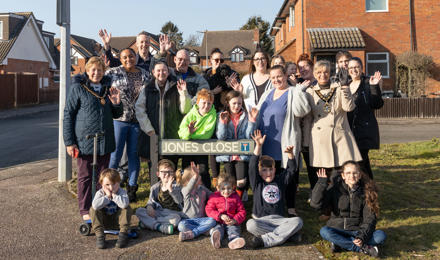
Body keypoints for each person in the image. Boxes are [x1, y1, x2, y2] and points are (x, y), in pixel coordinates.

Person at [63, 56, 122, 221]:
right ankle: (85, 210)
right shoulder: (78, 88)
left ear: (104, 72)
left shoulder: (108, 88)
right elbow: (68, 115)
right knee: (85, 176)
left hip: (105, 140)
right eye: (93, 70)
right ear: (87, 71)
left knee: (103, 177)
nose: (96, 73)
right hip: (85, 141)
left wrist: (117, 103)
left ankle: (100, 207)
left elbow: (117, 114)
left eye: (99, 70)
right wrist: (69, 142)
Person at [257, 65, 311, 216]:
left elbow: (302, 111)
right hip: (266, 143)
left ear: (286, 75)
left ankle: (291, 207)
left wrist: (300, 91)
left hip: (285, 141)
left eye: (279, 76)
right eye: (273, 77)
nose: (276, 80)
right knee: (269, 174)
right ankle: (271, 204)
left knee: (289, 175)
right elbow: (258, 114)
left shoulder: (293, 92)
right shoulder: (267, 93)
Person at [311, 161, 386, 257]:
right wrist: (321, 183)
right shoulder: (334, 189)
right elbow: (315, 204)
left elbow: (370, 218)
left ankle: (341, 244)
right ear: (343, 176)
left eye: (355, 173)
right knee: (324, 231)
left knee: (380, 235)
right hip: (338, 229)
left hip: (358, 231)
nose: (352, 176)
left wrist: (361, 237)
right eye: (348, 173)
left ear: (359, 175)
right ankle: (363, 248)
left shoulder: (367, 192)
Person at [105, 48, 150, 202]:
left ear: (136, 57)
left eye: (131, 56)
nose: (128, 59)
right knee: (115, 155)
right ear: (120, 58)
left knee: (133, 155)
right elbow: (98, 83)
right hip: (119, 119)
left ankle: (132, 188)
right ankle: (109, 187)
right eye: (124, 57)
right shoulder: (112, 73)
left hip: (137, 121)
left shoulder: (144, 74)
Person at [246, 130, 303, 248]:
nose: (268, 173)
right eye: (264, 170)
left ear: (275, 170)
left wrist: (291, 155)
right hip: (261, 221)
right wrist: (258, 146)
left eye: (270, 169)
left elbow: (291, 170)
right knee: (250, 225)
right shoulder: (257, 183)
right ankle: (287, 236)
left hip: (280, 220)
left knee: (298, 221)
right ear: (259, 172)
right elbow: (252, 166)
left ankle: (265, 240)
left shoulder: (280, 180)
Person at [304, 60, 362, 172]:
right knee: (324, 176)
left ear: (330, 73)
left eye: (326, 72)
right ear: (315, 74)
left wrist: (345, 86)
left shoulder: (339, 88)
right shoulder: (309, 92)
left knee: (344, 173)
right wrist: (306, 142)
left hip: (340, 136)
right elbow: (308, 119)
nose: (322, 75)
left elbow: (348, 108)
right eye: (319, 72)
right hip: (320, 139)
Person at [135, 61, 192, 167]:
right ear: (153, 72)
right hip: (152, 136)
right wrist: (148, 129)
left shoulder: (176, 87)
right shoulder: (147, 89)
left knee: (170, 168)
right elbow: (139, 110)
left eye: (164, 70)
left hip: (171, 136)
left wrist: (183, 93)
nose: (161, 73)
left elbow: (185, 109)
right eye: (158, 70)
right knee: (154, 171)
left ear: (168, 72)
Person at [202, 48, 240, 186]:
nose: (219, 62)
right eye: (216, 60)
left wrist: (230, 84)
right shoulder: (205, 76)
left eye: (221, 60)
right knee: (213, 145)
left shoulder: (229, 73)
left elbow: (235, 86)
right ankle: (215, 177)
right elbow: (202, 93)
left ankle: (230, 178)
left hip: (226, 113)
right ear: (210, 61)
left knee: (225, 143)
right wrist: (213, 91)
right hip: (211, 113)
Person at [216, 90, 258, 198]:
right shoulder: (221, 115)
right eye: (234, 103)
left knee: (241, 181)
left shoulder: (246, 116)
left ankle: (238, 199)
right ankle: (231, 201)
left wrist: (252, 121)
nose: (237, 106)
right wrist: (223, 123)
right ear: (228, 103)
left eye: (239, 103)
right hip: (228, 154)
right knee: (230, 181)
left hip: (242, 153)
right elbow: (221, 137)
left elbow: (249, 137)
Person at [347, 58, 384, 179]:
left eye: (356, 67)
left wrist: (374, 87)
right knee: (362, 164)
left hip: (364, 131)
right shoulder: (346, 84)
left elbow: (377, 104)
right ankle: (369, 190)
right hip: (349, 131)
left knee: (359, 163)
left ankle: (366, 191)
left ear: (361, 68)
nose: (354, 70)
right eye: (351, 68)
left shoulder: (368, 82)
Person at [178, 89, 217, 189]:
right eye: (204, 103)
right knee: (186, 170)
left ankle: (206, 194)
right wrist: (188, 132)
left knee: (203, 171)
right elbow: (181, 132)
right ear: (198, 102)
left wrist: (191, 135)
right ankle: (185, 194)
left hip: (202, 148)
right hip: (188, 147)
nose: (206, 106)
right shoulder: (191, 114)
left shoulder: (212, 115)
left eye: (209, 103)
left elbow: (206, 134)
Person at [152, 34, 209, 99]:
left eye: (185, 60)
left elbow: (203, 95)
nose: (182, 62)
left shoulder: (198, 79)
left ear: (189, 61)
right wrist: (162, 52)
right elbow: (154, 69)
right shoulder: (167, 74)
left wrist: (188, 103)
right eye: (180, 59)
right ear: (175, 59)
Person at [135, 159, 183, 235]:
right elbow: (151, 201)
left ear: (173, 174)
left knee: (176, 219)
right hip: (159, 212)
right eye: (164, 172)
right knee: (139, 211)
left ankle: (149, 224)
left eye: (170, 172)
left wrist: (171, 189)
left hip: (173, 213)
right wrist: (149, 206)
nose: (167, 174)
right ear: (158, 174)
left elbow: (179, 201)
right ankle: (160, 226)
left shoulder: (177, 186)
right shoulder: (155, 187)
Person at [90, 168, 132, 249]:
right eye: (107, 185)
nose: (111, 187)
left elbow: (124, 205)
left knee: (127, 208)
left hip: (117, 222)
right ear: (102, 184)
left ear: (119, 183)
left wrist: (114, 196)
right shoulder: (100, 192)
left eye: (114, 184)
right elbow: (95, 206)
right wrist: (107, 196)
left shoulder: (122, 192)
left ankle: (123, 234)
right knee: (93, 209)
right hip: (104, 222)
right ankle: (100, 235)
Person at [176, 162, 217, 242]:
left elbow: (212, 195)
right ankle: (203, 231)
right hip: (188, 220)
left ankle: (193, 233)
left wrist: (220, 194)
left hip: (202, 220)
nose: (200, 177)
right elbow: (190, 186)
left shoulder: (202, 188)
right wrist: (195, 175)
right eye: (197, 177)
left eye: (198, 176)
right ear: (189, 180)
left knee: (212, 221)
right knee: (181, 226)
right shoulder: (185, 191)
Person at [205, 173, 246, 250]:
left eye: (229, 188)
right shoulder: (214, 197)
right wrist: (219, 216)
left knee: (234, 230)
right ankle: (216, 239)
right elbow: (209, 209)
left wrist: (235, 220)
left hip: (232, 221)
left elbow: (242, 211)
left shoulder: (236, 197)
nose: (226, 191)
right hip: (218, 221)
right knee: (217, 229)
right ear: (218, 188)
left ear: (233, 187)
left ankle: (234, 240)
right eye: (223, 188)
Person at [296, 54, 318, 195]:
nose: (303, 69)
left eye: (305, 66)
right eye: (300, 67)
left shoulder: (318, 83)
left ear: (312, 67)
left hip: (318, 129)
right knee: (310, 164)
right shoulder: (298, 85)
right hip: (304, 132)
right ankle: (314, 190)